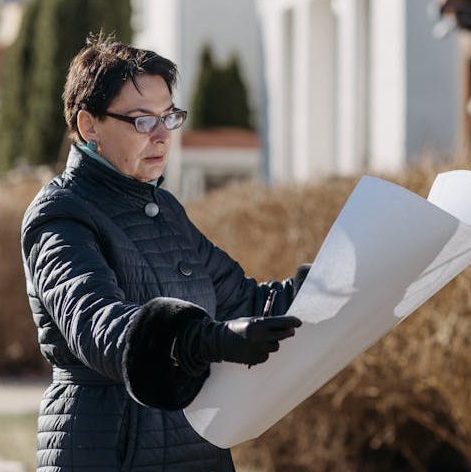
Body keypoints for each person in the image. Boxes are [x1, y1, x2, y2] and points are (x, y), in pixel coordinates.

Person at [21, 36, 308, 471]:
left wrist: (326, 283)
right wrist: (205, 340)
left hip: (192, 447)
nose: (161, 135)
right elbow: (101, 326)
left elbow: (242, 301)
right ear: (89, 125)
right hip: (107, 450)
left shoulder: (165, 211)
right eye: (141, 121)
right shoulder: (60, 215)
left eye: (168, 117)